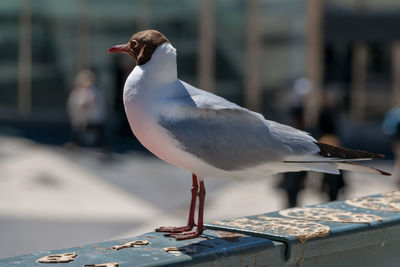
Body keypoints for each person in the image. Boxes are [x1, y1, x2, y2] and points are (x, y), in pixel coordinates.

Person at [67, 69, 107, 151]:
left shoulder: (94, 90)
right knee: (80, 132)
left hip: (94, 117)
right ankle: (76, 145)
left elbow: (90, 103)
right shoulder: (80, 91)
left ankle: (102, 148)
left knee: (99, 134)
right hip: (86, 118)